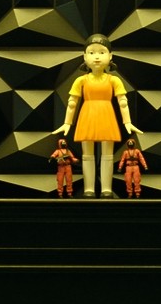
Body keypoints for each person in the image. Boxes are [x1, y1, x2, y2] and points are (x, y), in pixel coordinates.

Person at [55, 34, 140, 198]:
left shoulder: (114, 80)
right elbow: (72, 102)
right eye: (92, 52)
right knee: (87, 155)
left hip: (107, 116)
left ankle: (106, 189)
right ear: (84, 57)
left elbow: (123, 102)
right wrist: (67, 123)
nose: (96, 57)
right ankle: (89, 189)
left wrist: (127, 122)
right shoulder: (81, 80)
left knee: (108, 154)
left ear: (110, 56)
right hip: (87, 115)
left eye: (101, 52)